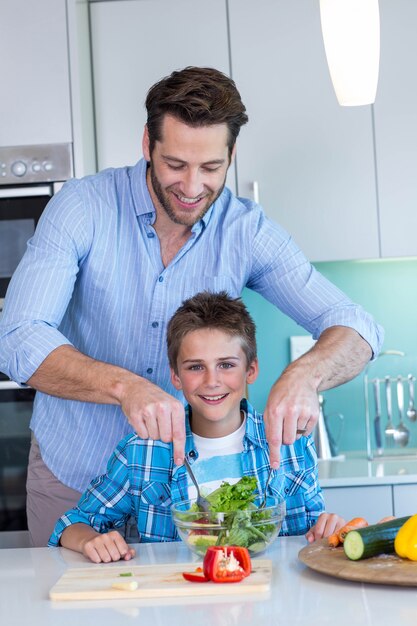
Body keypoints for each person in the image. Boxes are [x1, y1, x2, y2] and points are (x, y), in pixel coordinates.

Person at [0, 66, 383, 547]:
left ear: (231, 155)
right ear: (147, 144)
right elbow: (17, 337)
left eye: (211, 168)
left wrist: (304, 376)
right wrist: (125, 387)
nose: (192, 186)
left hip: (183, 497)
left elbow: (357, 326)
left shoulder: (245, 229)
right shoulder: (83, 207)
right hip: (72, 475)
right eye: (176, 164)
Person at [48, 291, 345, 563]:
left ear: (250, 370)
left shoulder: (291, 443)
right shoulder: (142, 450)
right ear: (176, 376)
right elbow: (72, 524)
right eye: (195, 367)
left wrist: (327, 528)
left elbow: (312, 532)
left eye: (226, 365)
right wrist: (90, 540)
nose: (212, 381)